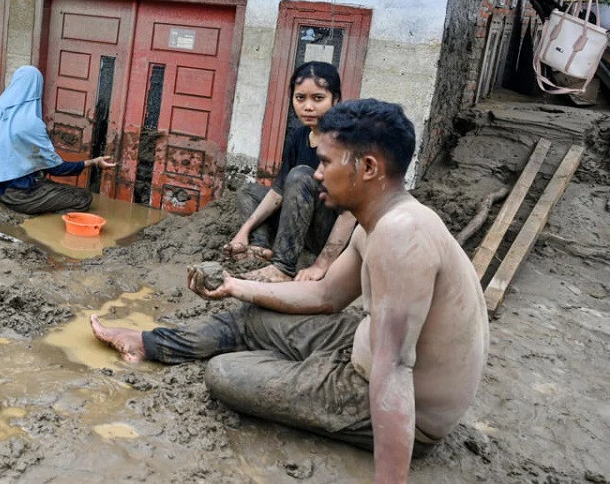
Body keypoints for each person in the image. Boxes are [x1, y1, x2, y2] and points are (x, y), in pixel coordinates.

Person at [90, 99, 489, 483]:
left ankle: (276, 365)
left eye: (327, 162)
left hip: (403, 405)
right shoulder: (381, 220)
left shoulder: (401, 235)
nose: (317, 173)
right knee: (248, 314)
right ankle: (148, 343)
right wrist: (235, 286)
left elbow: (396, 369)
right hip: (364, 347)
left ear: (367, 167)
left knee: (225, 374)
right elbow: (325, 296)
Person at [224, 61, 357, 282]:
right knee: (250, 192)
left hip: (330, 231)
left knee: (301, 176)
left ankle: (283, 267)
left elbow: (350, 213)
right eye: (300, 98)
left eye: (318, 98)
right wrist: (244, 231)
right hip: (300, 222)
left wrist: (321, 264)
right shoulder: (298, 136)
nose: (308, 107)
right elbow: (278, 193)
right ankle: (260, 247)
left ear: (336, 99)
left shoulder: (345, 141)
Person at [0, 66, 115, 215]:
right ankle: (40, 220)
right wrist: (94, 162)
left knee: (44, 181)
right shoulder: (30, 123)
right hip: (15, 195)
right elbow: (55, 168)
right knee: (83, 198)